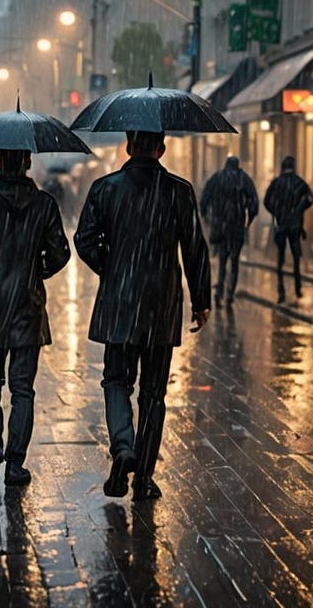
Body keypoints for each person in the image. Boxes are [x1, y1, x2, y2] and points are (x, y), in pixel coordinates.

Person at [74, 131, 211, 500]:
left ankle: (123, 446)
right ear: (161, 149)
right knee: (153, 394)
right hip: (161, 305)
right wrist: (201, 300)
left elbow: (84, 240)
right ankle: (145, 478)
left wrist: (112, 267)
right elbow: (195, 248)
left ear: (129, 147)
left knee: (117, 382)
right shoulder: (179, 191)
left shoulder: (105, 188)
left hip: (120, 304)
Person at [0, 149, 69, 487]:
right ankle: (15, 463)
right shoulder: (44, 204)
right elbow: (60, 252)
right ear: (28, 163)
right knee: (23, 388)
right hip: (28, 305)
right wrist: (36, 270)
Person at [199, 156, 258, 306]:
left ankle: (219, 292)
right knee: (235, 260)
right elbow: (253, 202)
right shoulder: (243, 179)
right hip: (236, 226)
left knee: (222, 259)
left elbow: (204, 199)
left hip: (220, 226)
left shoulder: (217, 178)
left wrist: (207, 217)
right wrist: (248, 221)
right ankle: (230, 293)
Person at [263, 155, 313, 303]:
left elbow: (267, 201)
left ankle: (281, 291)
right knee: (296, 256)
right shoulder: (300, 183)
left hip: (281, 224)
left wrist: (277, 211)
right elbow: (310, 199)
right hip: (295, 225)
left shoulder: (277, 183)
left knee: (280, 258)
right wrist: (299, 211)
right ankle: (298, 288)